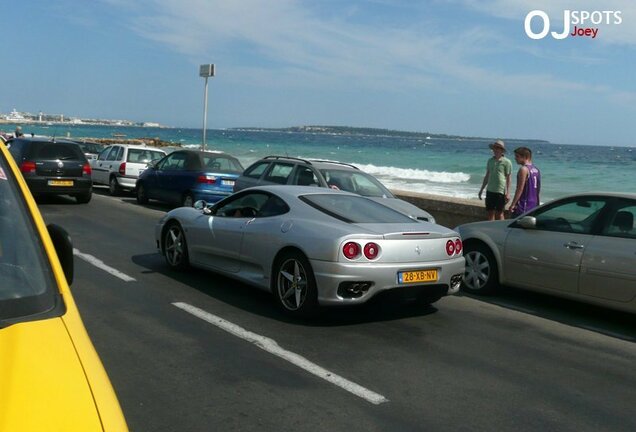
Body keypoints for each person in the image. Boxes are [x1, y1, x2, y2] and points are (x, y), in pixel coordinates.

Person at [478, 139, 512, 221]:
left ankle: (502, 231)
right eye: (494, 148)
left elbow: (508, 178)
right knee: (490, 213)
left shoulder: (507, 162)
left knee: (500, 213)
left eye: (498, 148)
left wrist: (508, 193)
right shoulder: (490, 161)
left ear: (502, 150)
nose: (496, 150)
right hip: (490, 190)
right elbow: (487, 176)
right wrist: (482, 189)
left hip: (500, 191)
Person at [509, 146, 541, 217]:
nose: (515, 158)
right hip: (533, 205)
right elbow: (537, 190)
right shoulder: (536, 169)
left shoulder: (524, 169)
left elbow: (520, 189)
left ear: (525, 157)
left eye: (517, 156)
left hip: (524, 205)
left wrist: (513, 204)